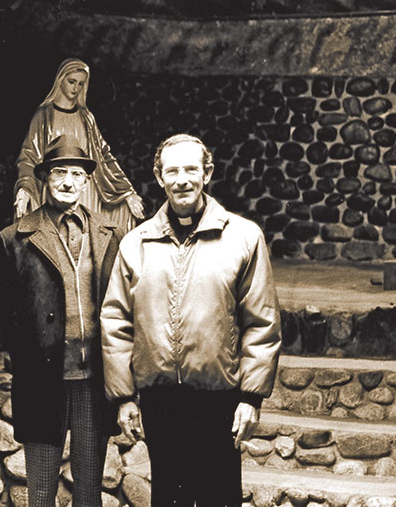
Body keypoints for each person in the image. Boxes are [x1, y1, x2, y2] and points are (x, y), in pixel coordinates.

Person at [100, 134, 282, 507]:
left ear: (207, 173)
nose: (182, 179)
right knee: (169, 498)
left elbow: (261, 321)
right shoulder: (136, 244)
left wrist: (251, 397)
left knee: (218, 498)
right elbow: (116, 321)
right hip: (159, 398)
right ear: (159, 177)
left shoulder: (244, 238)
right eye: (173, 170)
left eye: (190, 169)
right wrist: (124, 398)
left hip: (220, 397)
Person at [0, 136, 124, 507]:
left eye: (77, 174)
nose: (68, 181)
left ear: (86, 181)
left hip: (93, 382)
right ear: (45, 178)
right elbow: (6, 315)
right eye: (59, 172)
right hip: (42, 380)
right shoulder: (13, 240)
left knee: (88, 491)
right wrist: (32, 355)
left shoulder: (109, 235)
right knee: (42, 491)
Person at [14, 58, 145, 228]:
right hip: (56, 189)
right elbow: (30, 155)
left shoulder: (86, 117)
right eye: (71, 82)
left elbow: (104, 156)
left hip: (86, 191)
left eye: (81, 84)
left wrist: (127, 193)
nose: (76, 88)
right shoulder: (44, 115)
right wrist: (25, 187)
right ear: (60, 80)